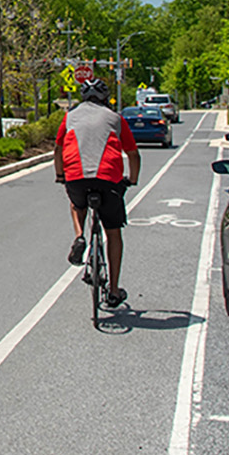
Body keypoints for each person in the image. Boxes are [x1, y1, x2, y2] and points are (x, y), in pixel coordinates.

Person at [55, 78, 140, 307]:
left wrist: (60, 175)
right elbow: (133, 154)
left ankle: (80, 235)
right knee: (113, 232)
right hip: (109, 180)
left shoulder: (69, 117)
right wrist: (132, 180)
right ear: (105, 98)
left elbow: (59, 148)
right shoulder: (115, 118)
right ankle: (113, 290)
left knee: (76, 204)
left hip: (77, 178)